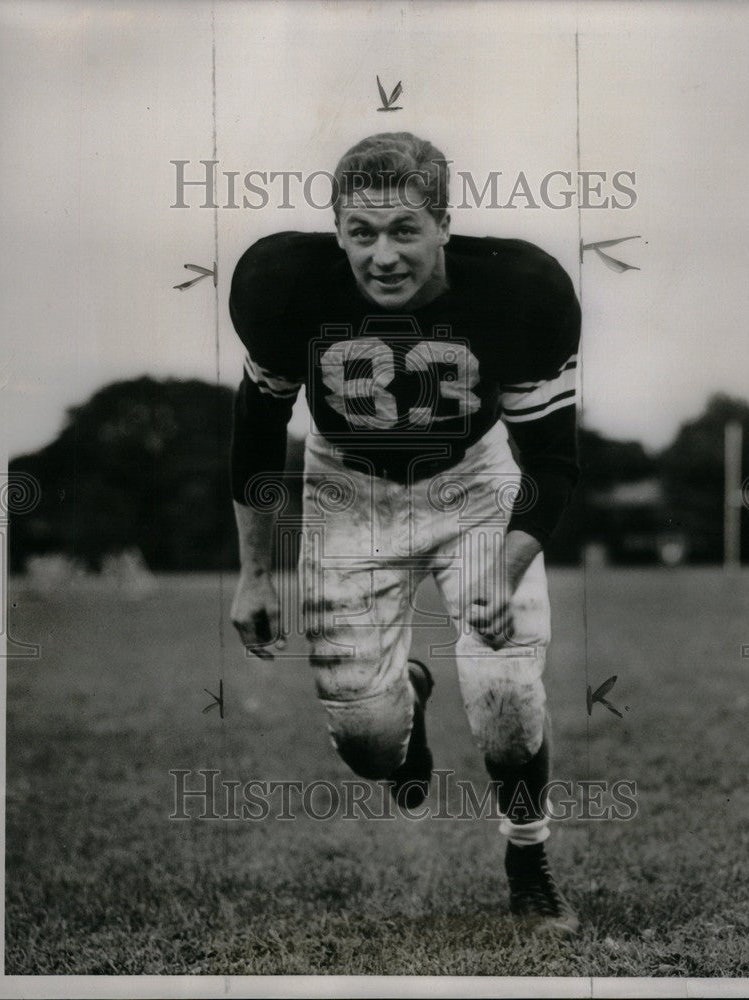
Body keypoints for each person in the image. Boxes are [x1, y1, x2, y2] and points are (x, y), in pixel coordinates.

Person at [229, 132, 580, 935]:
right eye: (362, 232)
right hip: (347, 490)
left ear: (444, 223)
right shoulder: (284, 285)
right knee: (367, 744)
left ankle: (527, 857)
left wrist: (507, 562)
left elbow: (554, 462)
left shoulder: (518, 288)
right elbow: (254, 433)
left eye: (404, 231)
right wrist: (254, 574)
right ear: (336, 228)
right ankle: (407, 700)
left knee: (506, 691)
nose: (382, 256)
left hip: (475, 482)